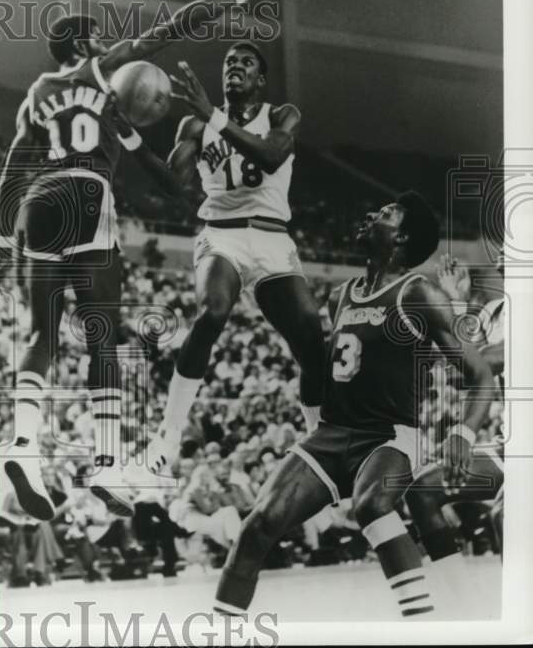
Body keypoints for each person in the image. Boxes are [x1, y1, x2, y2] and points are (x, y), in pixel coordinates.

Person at [0, 0, 305, 522]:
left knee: (42, 335)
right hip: (88, 191)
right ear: (85, 47)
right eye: (97, 37)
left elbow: (14, 169)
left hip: (38, 202)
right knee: (102, 338)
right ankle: (108, 465)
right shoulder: (104, 66)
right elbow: (175, 25)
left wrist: (0, 242)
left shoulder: (36, 94)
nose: (104, 40)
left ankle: (21, 446)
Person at [212, 193, 495, 619]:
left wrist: (463, 434)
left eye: (385, 214)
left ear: (400, 236)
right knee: (257, 526)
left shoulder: (418, 292)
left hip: (390, 437)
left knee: (372, 505)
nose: (370, 213)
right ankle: (219, 632)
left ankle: (425, 625)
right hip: (332, 434)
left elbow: (481, 376)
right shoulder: (340, 295)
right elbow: (327, 371)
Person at [145, 42, 327, 480]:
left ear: (260, 79)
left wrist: (214, 116)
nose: (235, 67)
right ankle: (168, 434)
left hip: (271, 237)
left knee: (311, 338)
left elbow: (270, 155)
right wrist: (132, 137)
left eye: (246, 63)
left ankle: (321, 442)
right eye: (229, 62)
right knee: (213, 311)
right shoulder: (195, 122)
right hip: (222, 234)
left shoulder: (283, 115)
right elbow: (173, 184)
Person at [403, 254, 505, 607]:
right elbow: (463, 374)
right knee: (421, 492)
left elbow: (489, 360)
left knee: (507, 514)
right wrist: (457, 302)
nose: (505, 256)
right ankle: (469, 605)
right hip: (513, 446)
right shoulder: (493, 312)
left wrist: (475, 356)